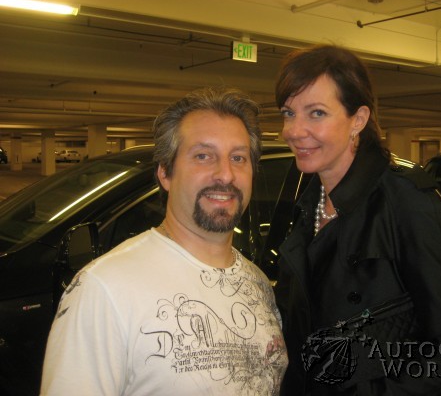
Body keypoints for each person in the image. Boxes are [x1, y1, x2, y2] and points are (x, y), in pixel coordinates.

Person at [41, 87, 288, 395]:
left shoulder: (258, 284)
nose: (225, 174)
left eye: (238, 158)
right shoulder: (104, 288)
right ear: (165, 173)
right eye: (203, 156)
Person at [273, 45, 441, 395]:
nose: (294, 130)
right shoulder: (305, 204)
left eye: (316, 113)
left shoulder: (409, 204)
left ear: (358, 119)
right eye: (288, 113)